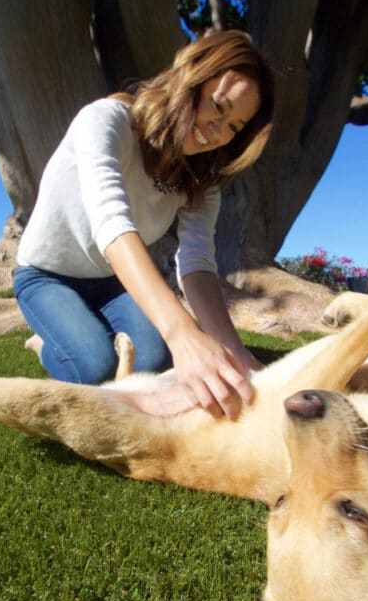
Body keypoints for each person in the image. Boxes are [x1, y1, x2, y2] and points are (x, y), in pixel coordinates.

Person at [14, 30, 275, 420]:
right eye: (218, 107)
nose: (217, 132)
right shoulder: (105, 121)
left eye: (234, 127)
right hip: (46, 275)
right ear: (190, 77)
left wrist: (232, 349)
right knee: (97, 367)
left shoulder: (201, 183)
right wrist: (183, 334)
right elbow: (111, 223)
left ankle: (82, 328)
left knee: (151, 360)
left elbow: (198, 264)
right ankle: (44, 344)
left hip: (111, 282)